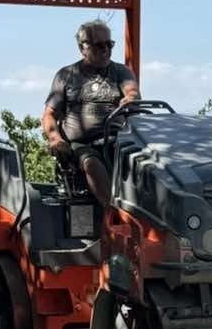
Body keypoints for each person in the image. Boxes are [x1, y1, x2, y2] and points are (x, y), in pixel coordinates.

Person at [41, 20, 139, 206]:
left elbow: (132, 91)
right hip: (83, 144)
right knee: (91, 164)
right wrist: (55, 138)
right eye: (98, 45)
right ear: (82, 48)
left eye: (109, 44)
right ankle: (114, 214)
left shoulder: (121, 72)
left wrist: (130, 98)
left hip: (118, 140)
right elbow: (49, 114)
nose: (105, 49)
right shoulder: (66, 76)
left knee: (149, 162)